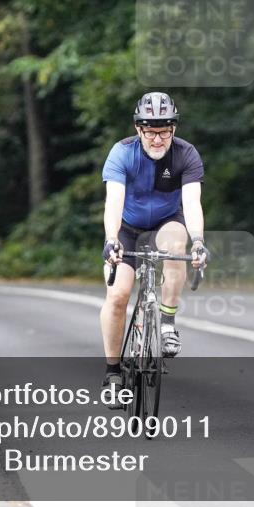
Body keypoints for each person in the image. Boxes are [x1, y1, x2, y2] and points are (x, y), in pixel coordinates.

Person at [100, 92, 209, 403]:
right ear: (139, 130)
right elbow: (114, 202)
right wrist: (111, 238)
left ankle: (168, 322)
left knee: (178, 242)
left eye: (164, 130)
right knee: (118, 295)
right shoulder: (122, 153)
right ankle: (112, 372)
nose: (158, 138)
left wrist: (198, 240)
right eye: (151, 130)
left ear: (173, 130)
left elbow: (191, 202)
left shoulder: (186, 155)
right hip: (127, 229)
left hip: (165, 223)